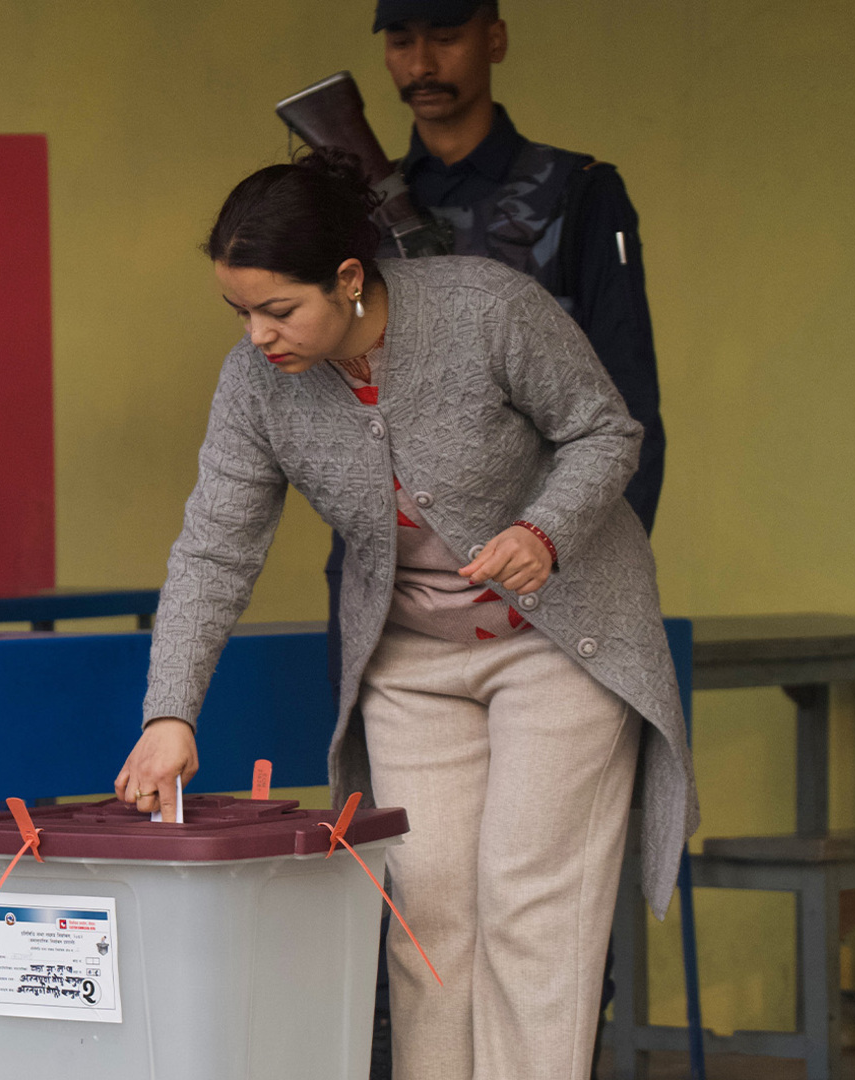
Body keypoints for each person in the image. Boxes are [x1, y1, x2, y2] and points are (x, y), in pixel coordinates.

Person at [115, 151, 697, 1079]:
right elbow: (214, 549)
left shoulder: (486, 308)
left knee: (528, 907)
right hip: (411, 662)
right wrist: (169, 713)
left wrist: (543, 532)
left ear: (349, 279)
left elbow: (605, 429)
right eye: (241, 313)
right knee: (424, 920)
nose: (260, 336)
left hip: (556, 642)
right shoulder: (257, 385)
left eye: (279, 309)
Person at [336, 5, 671, 1070]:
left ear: (495, 37)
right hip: (412, 625)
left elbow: (624, 418)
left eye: (443, 33)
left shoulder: (576, 195)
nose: (420, 62)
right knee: (426, 918)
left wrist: (572, 574)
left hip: (555, 609)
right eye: (400, 38)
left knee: (541, 921)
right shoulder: (351, 209)